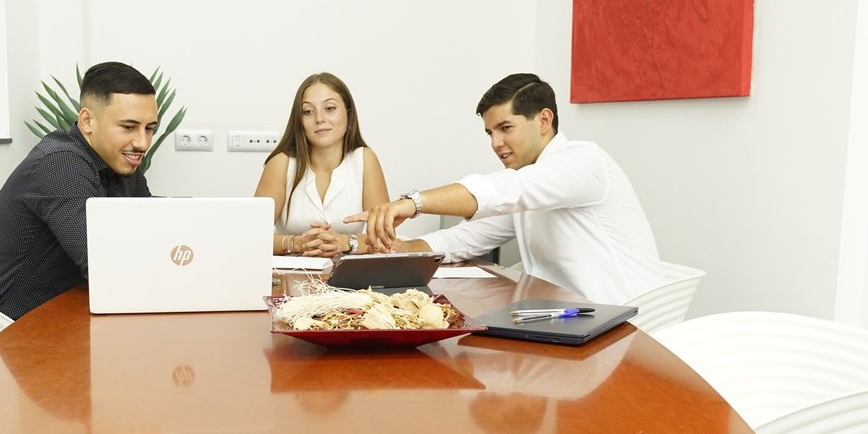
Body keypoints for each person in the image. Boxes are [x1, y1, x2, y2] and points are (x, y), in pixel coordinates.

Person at [349, 73, 662, 302]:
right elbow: (466, 238)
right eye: (489, 133)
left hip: (620, 326)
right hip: (566, 319)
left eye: (505, 128)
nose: (496, 143)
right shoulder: (530, 179)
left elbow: (508, 189)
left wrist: (413, 203)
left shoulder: (583, 162)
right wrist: (404, 249)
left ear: (544, 119)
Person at [0, 61, 158, 320]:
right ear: (87, 120)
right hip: (7, 331)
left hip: (66, 316)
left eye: (150, 129)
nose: (142, 142)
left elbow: (153, 236)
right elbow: (105, 264)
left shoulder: (122, 165)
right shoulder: (59, 164)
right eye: (128, 127)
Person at [254, 72, 390, 258]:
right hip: (290, 278)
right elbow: (251, 236)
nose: (319, 118)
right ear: (299, 121)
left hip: (351, 282)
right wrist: (295, 243)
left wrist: (345, 242)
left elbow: (385, 239)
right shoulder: (281, 163)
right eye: (308, 111)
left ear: (349, 114)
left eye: (330, 108)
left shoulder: (365, 159)